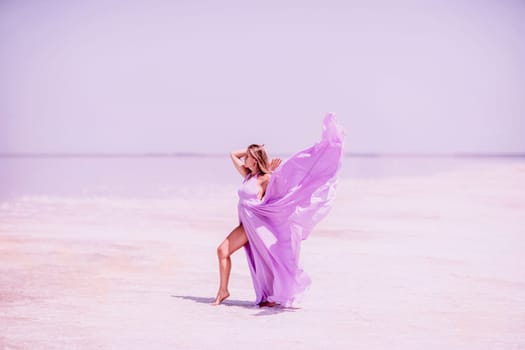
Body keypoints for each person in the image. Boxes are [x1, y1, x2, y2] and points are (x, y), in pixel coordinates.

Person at [212, 113, 344, 307]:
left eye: (248, 157)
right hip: (246, 226)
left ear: (255, 160)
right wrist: (255, 150)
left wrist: (272, 173)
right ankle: (223, 291)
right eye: (246, 157)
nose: (245, 159)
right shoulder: (248, 175)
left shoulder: (264, 178)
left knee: (259, 260)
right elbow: (233, 154)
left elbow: (281, 191)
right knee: (223, 251)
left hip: (257, 228)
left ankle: (268, 295)